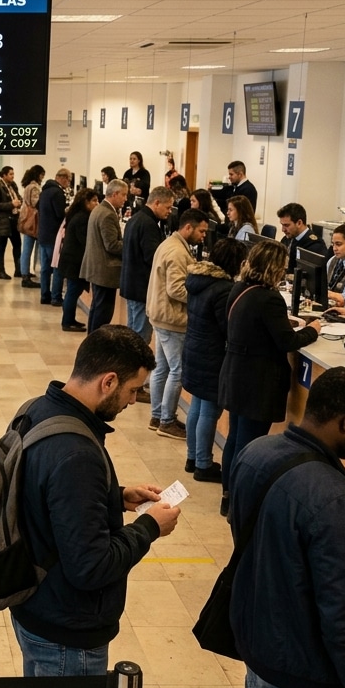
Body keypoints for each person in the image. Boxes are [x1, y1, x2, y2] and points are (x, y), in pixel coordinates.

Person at [12, 325, 179, 688]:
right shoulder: (77, 452)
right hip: (68, 631)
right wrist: (150, 527)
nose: (134, 400)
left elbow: (46, 496)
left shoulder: (38, 408)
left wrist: (115, 496)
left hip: (32, 606)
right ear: (108, 381)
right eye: (133, 390)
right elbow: (90, 567)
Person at [228, 367, 345, 688]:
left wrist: (342, 510)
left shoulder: (256, 451)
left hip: (259, 651)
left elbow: (271, 528)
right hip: (307, 681)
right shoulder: (334, 501)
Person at [218, 240, 321, 491]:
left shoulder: (240, 287)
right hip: (258, 381)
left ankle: (228, 493)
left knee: (235, 438)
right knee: (250, 444)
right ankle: (240, 496)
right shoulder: (269, 298)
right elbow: (287, 341)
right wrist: (312, 330)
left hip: (236, 374)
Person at [183, 239, 248, 482]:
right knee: (209, 410)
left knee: (197, 407)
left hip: (196, 349)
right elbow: (227, 327)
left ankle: (192, 457)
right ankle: (203, 464)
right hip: (213, 355)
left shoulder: (199, 281)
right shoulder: (222, 289)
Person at [147, 209, 209, 440]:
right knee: (178, 371)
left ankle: (157, 416)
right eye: (202, 230)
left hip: (160, 315)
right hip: (171, 320)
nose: (204, 235)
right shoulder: (177, 252)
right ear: (188, 227)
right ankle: (166, 421)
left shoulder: (170, 243)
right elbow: (176, 289)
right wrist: (201, 296)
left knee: (162, 368)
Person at [120, 185, 175, 348]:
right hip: (141, 288)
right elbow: (153, 257)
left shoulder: (136, 218)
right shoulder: (148, 224)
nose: (170, 211)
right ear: (156, 203)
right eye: (168, 207)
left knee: (133, 333)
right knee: (140, 338)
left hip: (131, 285)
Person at [79, 180, 127, 333]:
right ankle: (96, 343)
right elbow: (112, 245)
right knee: (103, 312)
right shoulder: (108, 214)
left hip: (98, 268)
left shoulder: (99, 209)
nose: (126, 199)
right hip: (105, 270)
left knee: (97, 308)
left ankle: (92, 340)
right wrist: (130, 245)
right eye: (124, 195)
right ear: (115, 194)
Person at [56, 188, 100, 332]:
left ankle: (69, 319)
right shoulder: (82, 218)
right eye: (94, 201)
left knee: (73, 291)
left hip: (71, 260)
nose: (97, 204)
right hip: (74, 262)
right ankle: (67, 322)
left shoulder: (78, 215)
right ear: (85, 202)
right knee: (73, 292)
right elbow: (85, 241)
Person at [36, 168, 70, 305]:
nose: (69, 182)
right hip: (53, 235)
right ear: (61, 178)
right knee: (57, 267)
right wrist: (68, 211)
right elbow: (59, 214)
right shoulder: (58, 193)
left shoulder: (44, 191)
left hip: (43, 233)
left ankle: (44, 295)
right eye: (68, 179)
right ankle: (56, 296)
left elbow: (38, 207)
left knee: (44, 268)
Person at [0, 166, 23, 280]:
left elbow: (18, 197)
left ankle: (18, 269)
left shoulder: (13, 186)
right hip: (2, 221)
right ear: (4, 175)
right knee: (2, 246)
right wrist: (11, 204)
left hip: (13, 220)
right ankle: (1, 271)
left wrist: (19, 202)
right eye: (10, 174)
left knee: (17, 244)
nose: (13, 176)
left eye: (13, 174)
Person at [18, 164, 46, 289]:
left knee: (26, 249)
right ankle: (26, 276)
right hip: (33, 222)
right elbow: (36, 203)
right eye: (42, 175)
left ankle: (25, 273)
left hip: (26, 220)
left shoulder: (27, 186)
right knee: (29, 250)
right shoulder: (34, 188)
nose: (42, 178)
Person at [277, 202, 327, 268]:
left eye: (286, 225)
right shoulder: (286, 239)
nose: (283, 230)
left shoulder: (315, 245)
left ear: (299, 223)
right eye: (282, 225)